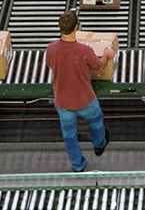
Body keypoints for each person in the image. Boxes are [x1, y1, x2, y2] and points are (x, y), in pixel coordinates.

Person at [45, 9, 116, 172]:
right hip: (85, 99)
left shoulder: (51, 49)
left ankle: (78, 165)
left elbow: (51, 64)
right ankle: (99, 145)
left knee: (69, 134)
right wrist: (107, 55)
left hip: (63, 101)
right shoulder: (84, 51)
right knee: (96, 119)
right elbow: (98, 66)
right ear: (76, 27)